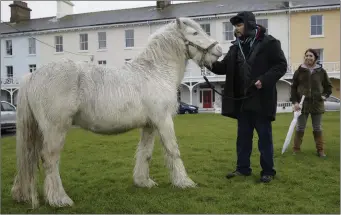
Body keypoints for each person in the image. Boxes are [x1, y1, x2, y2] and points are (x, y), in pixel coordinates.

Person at [204, 11, 287, 183]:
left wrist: (263, 80)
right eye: (235, 26)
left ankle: (268, 171)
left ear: (249, 24)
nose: (236, 28)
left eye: (239, 25)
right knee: (243, 139)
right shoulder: (236, 47)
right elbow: (222, 68)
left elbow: (281, 66)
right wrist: (205, 61)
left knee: (264, 139)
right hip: (242, 101)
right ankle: (243, 169)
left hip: (261, 99)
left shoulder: (269, 42)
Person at [290, 48, 332, 157]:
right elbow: (293, 88)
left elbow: (328, 87)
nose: (308, 57)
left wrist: (324, 96)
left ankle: (320, 150)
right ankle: (296, 149)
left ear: (315, 58)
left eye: (311, 56)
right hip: (302, 104)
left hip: (317, 104)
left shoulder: (321, 71)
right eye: (306, 55)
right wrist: (295, 102)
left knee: (317, 127)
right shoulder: (299, 71)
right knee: (300, 127)